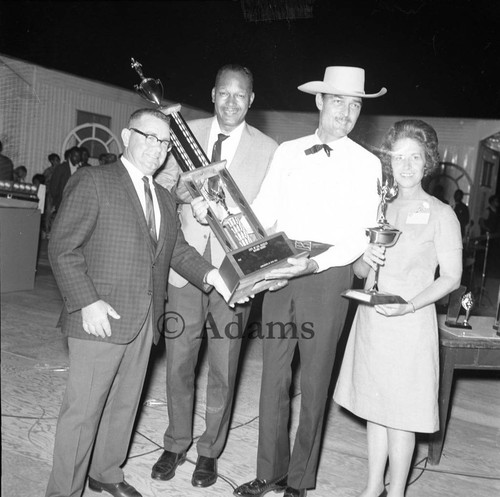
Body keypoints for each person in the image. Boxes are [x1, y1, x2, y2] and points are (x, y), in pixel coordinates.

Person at [45, 107, 233, 497]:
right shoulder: (94, 180)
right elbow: (63, 247)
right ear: (127, 136)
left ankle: (106, 472)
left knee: (123, 405)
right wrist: (87, 302)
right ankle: (63, 491)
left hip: (145, 319)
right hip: (100, 317)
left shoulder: (164, 197)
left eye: (164, 142)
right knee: (82, 415)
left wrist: (215, 276)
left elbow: (178, 251)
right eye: (148, 137)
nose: (156, 148)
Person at [233, 66, 386, 497]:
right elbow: (265, 212)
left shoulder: (369, 164)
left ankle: (299, 480)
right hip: (282, 270)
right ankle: (270, 473)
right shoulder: (287, 151)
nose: (346, 112)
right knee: (273, 377)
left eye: (355, 104)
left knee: (315, 381)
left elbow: (360, 235)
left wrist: (314, 266)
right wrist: (236, 230)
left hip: (329, 277)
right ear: (319, 101)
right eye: (338, 101)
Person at [152, 64, 278, 488]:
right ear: (212, 94)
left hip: (234, 275)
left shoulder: (269, 149)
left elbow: (270, 212)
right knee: (179, 363)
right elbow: (162, 185)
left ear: (251, 100)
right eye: (224, 93)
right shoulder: (183, 132)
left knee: (224, 368)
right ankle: (175, 442)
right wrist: (183, 191)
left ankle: (209, 451)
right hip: (184, 267)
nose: (231, 102)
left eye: (239, 95)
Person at [334, 120, 462, 497]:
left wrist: (409, 306)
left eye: (415, 157)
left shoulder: (442, 214)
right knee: (376, 409)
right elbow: (360, 271)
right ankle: (373, 487)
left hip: (410, 324)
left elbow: (451, 278)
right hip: (373, 321)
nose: (406, 165)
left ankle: (397, 492)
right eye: (399, 157)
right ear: (390, 163)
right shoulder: (380, 207)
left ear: (428, 163)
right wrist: (366, 258)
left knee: (401, 417)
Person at [49, 146, 82, 214]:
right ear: (70, 155)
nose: (77, 159)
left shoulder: (80, 169)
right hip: (61, 202)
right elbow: (54, 187)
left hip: (75, 204)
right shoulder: (61, 168)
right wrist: (56, 202)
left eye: (79, 157)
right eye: (75, 156)